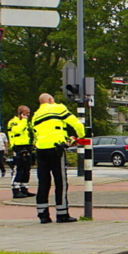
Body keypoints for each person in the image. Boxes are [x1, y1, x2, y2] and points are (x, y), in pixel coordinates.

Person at [31, 93, 85, 224]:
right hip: (56, 149)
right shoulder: (58, 108)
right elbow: (77, 124)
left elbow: (35, 134)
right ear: (50, 100)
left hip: (40, 149)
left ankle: (43, 215)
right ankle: (62, 214)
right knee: (60, 182)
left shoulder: (35, 115)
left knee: (43, 182)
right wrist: (81, 136)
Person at [6, 105, 36, 199]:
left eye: (28, 113)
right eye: (26, 113)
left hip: (27, 146)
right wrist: (23, 120)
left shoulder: (27, 123)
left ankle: (24, 189)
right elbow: (17, 130)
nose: (28, 115)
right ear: (20, 113)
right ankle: (15, 190)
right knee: (19, 169)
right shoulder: (13, 122)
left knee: (27, 169)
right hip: (18, 147)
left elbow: (32, 133)